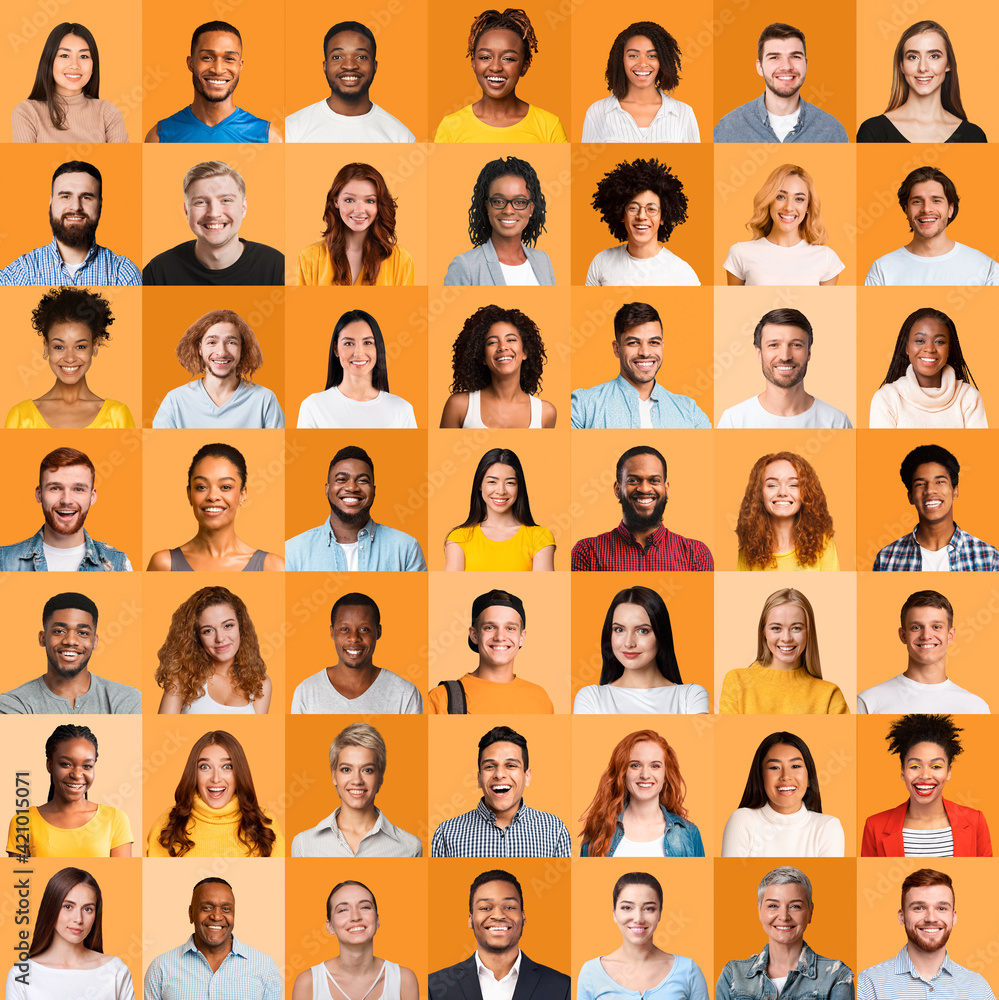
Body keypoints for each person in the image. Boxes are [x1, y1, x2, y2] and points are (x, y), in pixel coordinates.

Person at [428, 869, 571, 999]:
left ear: (523, 917)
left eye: (509, 907)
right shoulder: (435, 987)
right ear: (470, 920)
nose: (498, 915)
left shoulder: (562, 986)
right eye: (485, 908)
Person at [862, 714, 991, 857]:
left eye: (936, 766)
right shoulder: (874, 826)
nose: (925, 776)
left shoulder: (975, 821)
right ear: (903, 772)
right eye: (915, 766)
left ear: (948, 772)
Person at [432, 726, 570, 858]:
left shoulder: (554, 830)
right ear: (479, 778)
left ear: (527, 776)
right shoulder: (446, 833)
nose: (499, 774)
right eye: (490, 766)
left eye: (511, 765)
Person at [716, 867, 854, 999]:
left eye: (795, 906)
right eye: (773, 906)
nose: (784, 916)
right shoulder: (733, 974)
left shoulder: (836, 976)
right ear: (759, 911)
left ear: (810, 912)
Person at [7, 287, 134, 429]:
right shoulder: (21, 416)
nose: (70, 358)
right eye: (59, 347)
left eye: (80, 347)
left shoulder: (116, 416)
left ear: (95, 346)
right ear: (46, 346)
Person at [856, 869, 995, 998]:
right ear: (901, 916)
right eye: (919, 908)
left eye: (941, 908)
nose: (931, 918)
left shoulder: (978, 988)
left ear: (953, 917)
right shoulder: (869, 984)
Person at [284, 446, 427, 571]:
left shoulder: (406, 548)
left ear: (374, 490)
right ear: (327, 489)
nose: (352, 487)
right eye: (341, 479)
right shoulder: (293, 551)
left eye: (362, 480)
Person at [572, 446, 714, 571]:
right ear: (617, 489)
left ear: (666, 488)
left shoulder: (696, 555)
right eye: (633, 480)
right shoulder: (588, 552)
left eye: (654, 481)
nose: (644, 489)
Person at [571, 301, 711, 429]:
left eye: (653, 342)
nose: (645, 352)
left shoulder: (690, 412)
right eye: (633, 343)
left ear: (662, 346)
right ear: (617, 349)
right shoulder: (583, 405)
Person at [434, 9, 567, 142]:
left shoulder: (549, 126)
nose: (496, 67)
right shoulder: (450, 127)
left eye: (508, 58)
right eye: (485, 57)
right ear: (473, 63)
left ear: (524, 66)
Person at [142, 161, 285, 285]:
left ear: (243, 208)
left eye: (226, 200)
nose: (214, 213)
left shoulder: (277, 266)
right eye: (201, 202)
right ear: (187, 211)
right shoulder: (158, 271)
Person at [0, 160, 141, 286]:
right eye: (66, 196)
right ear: (51, 202)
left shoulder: (123, 274)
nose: (76, 207)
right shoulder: (19, 273)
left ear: (100, 204)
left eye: (86, 197)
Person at [291, 723, 422, 858]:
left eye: (367, 770)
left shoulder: (410, 847)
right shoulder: (303, 844)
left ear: (380, 777)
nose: (357, 780)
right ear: (334, 776)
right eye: (346, 769)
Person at [147, 443, 283, 572]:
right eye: (201, 487)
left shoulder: (273, 566)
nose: (212, 496)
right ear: (189, 494)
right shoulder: (164, 564)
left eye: (225, 487)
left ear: (242, 494)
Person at [146, 730, 283, 857]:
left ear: (239, 773)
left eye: (227, 767)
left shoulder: (265, 826)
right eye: (205, 767)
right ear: (194, 773)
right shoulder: (167, 824)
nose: (216, 778)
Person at [4, 867, 135, 1000]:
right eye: (68, 906)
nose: (78, 919)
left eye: (88, 909)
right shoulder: (21, 974)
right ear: (51, 908)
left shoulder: (115, 970)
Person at [574, 586, 708, 714]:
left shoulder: (690, 696)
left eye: (642, 631)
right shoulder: (591, 697)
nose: (628, 643)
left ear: (661, 634)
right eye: (619, 629)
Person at [0, 592, 140, 714]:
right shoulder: (14, 703)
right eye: (59, 631)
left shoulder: (126, 699)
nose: (70, 641)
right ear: (42, 638)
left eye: (82, 633)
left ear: (95, 642)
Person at [5, 724, 132, 858]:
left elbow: (121, 878)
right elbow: (20, 877)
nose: (77, 775)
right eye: (66, 764)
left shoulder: (116, 819)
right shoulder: (23, 822)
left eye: (87, 766)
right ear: (50, 765)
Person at [576, 872, 709, 1000]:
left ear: (660, 913)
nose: (638, 919)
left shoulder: (688, 970)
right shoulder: (591, 972)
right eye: (627, 908)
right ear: (614, 913)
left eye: (649, 908)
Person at [143, 877, 282, 1000]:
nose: (216, 916)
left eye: (226, 909)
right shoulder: (161, 968)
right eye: (207, 908)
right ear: (191, 914)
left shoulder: (264, 966)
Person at [0, 447, 132, 571]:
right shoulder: (3, 561)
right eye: (55, 488)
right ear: (39, 494)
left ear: (92, 497)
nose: (66, 500)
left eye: (78, 489)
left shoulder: (119, 564)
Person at [145, 21, 281, 142]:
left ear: (240, 66)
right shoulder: (159, 137)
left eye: (229, 59)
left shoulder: (268, 137)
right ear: (191, 63)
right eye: (207, 58)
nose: (218, 69)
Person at [857, 590, 990, 713]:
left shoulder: (976, 707)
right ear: (903, 635)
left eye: (936, 627)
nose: (926, 635)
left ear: (950, 635)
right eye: (916, 627)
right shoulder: (868, 702)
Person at [713, 23, 849, 142]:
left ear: (806, 64)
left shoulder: (833, 131)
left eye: (795, 56)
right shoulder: (728, 128)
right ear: (759, 67)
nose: (786, 66)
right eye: (774, 57)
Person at [719, 589, 847, 714]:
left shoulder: (830, 695)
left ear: (809, 633)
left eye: (796, 628)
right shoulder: (737, 681)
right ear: (764, 632)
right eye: (776, 628)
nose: (786, 638)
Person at [873, 444, 999, 571]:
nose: (930, 490)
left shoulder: (989, 557)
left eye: (939, 482)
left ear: (955, 490)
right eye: (920, 484)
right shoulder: (886, 558)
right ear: (910, 496)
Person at [718, 308, 852, 428]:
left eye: (796, 345)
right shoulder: (733, 421)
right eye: (773, 345)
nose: (785, 356)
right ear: (759, 353)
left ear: (809, 353)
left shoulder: (837, 422)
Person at [579, 729, 704, 857]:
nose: (645, 775)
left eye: (655, 766)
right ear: (623, 773)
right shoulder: (598, 830)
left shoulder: (689, 833)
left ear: (666, 774)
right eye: (635, 765)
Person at [426, 589, 554, 714]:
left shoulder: (540, 698)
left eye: (510, 628)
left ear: (522, 637)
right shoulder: (442, 698)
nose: (500, 637)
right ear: (474, 635)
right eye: (490, 627)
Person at [865, 166, 998, 285]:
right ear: (906, 210)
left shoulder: (987, 268)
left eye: (936, 200)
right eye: (917, 201)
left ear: (950, 209)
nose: (926, 209)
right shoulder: (882, 269)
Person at [291, 593, 423, 713]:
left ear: (378, 632)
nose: (354, 638)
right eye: (344, 629)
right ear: (332, 632)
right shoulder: (306, 691)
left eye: (364, 629)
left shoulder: (405, 693)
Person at [286, 21, 416, 142]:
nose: (349, 66)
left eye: (361, 57)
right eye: (337, 57)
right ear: (325, 66)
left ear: (374, 66)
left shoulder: (401, 136)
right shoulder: (291, 129)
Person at [152, 309, 284, 428]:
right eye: (212, 342)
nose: (221, 352)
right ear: (199, 349)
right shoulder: (175, 400)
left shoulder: (265, 400)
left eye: (231, 342)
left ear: (242, 349)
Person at [858, 21, 986, 143]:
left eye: (934, 56)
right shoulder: (872, 131)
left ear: (948, 64)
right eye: (913, 57)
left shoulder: (974, 136)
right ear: (901, 66)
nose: (923, 68)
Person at [721, 732, 845, 857]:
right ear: (760, 777)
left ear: (808, 777)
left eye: (795, 766)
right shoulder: (742, 821)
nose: (786, 776)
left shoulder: (828, 827)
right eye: (774, 767)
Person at [291, 880, 419, 1000]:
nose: (355, 917)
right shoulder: (308, 982)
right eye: (343, 910)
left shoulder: (404, 979)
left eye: (365, 907)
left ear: (377, 920)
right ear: (330, 926)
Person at [155, 586, 272, 714]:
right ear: (196, 636)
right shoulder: (182, 678)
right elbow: (162, 730)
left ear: (241, 627)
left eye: (228, 626)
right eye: (208, 631)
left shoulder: (260, 682)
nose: (220, 638)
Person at [723, 165, 844, 285]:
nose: (789, 207)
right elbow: (734, 304)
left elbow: (826, 305)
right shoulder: (740, 253)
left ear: (808, 206)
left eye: (799, 199)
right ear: (769, 200)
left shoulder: (826, 258)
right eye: (780, 197)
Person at [296, 163, 415, 286]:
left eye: (370, 201)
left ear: (379, 205)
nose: (359, 210)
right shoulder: (310, 257)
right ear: (336, 201)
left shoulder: (401, 260)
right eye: (349, 200)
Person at [586, 158, 699, 286]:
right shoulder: (601, 262)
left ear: (662, 218)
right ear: (621, 214)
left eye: (651, 209)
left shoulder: (682, 273)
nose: (641, 216)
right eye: (633, 208)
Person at [440, 304, 556, 428]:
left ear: (525, 352)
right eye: (492, 342)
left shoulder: (545, 413)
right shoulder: (459, 406)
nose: (502, 347)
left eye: (511, 339)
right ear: (483, 357)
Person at [444, 156, 555, 285]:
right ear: (487, 207)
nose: (508, 210)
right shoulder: (465, 266)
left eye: (519, 202)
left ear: (531, 209)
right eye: (498, 201)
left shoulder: (543, 261)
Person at [296, 309, 417, 428]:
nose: (358, 353)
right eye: (348, 343)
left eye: (368, 342)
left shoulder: (402, 410)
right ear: (336, 349)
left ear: (378, 348)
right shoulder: (313, 407)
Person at [582, 21, 700, 143]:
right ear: (620, 60)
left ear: (663, 61)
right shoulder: (597, 112)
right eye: (633, 55)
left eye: (652, 56)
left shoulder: (684, 113)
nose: (643, 63)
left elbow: (695, 161)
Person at [870, 307, 987, 428]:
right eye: (920, 340)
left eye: (939, 342)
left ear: (949, 350)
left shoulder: (968, 397)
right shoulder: (887, 398)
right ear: (907, 348)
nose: (930, 349)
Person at [13, 23, 127, 143]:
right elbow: (24, 161)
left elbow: (121, 161)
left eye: (83, 56)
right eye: (64, 55)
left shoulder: (109, 114)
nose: (74, 65)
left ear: (93, 66)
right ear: (49, 61)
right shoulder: (27, 112)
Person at [444, 448, 555, 571]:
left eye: (510, 483)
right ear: (480, 485)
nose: (501, 491)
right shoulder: (459, 538)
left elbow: (541, 589)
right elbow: (453, 589)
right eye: (492, 481)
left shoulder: (540, 537)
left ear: (519, 487)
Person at [736, 452, 839, 571]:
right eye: (772, 485)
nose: (782, 492)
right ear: (759, 494)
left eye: (793, 485)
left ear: (806, 493)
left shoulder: (823, 544)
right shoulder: (748, 551)